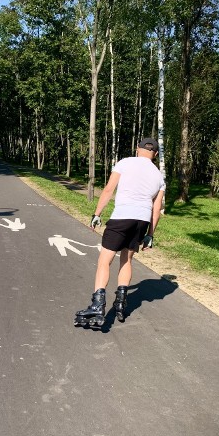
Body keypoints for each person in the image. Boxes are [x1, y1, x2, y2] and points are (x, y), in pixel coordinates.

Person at [75, 137, 165, 327]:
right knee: (127, 259)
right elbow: (156, 209)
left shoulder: (124, 163)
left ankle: (98, 305)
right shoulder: (158, 175)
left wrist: (97, 214)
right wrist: (150, 234)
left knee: (104, 261)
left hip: (122, 217)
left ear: (137, 149)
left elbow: (108, 190)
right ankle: (121, 303)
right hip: (141, 220)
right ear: (155, 154)